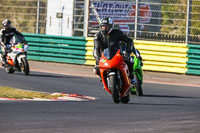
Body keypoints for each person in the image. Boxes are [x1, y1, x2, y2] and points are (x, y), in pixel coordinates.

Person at [93, 17, 141, 84]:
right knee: (96, 70)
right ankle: (104, 79)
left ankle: (132, 77)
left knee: (130, 61)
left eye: (106, 26)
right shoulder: (98, 36)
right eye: (103, 26)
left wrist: (127, 52)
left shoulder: (118, 33)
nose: (104, 28)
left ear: (111, 26)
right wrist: (97, 59)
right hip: (104, 57)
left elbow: (129, 41)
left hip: (117, 55)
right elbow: (96, 48)